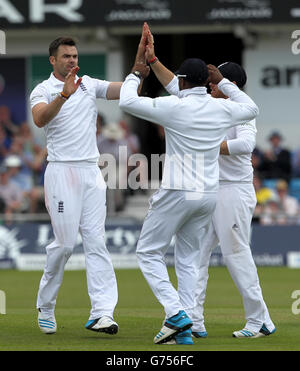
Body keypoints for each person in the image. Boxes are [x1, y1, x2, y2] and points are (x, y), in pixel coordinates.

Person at [119, 23, 259, 345]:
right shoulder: (222, 107)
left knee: (148, 253)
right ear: (205, 82)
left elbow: (127, 103)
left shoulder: (174, 107)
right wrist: (224, 83)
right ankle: (187, 329)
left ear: (182, 81)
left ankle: (176, 313)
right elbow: (251, 108)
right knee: (187, 260)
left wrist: (138, 72)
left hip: (177, 191)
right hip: (207, 195)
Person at [30, 36, 122, 335]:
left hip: (91, 172)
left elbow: (121, 91)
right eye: (66, 56)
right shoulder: (43, 90)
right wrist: (64, 96)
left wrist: (140, 69)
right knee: (65, 245)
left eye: (74, 55)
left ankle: (102, 313)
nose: (71, 60)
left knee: (97, 242)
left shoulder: (88, 83)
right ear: (53, 60)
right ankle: (46, 305)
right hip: (62, 172)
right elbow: (40, 119)